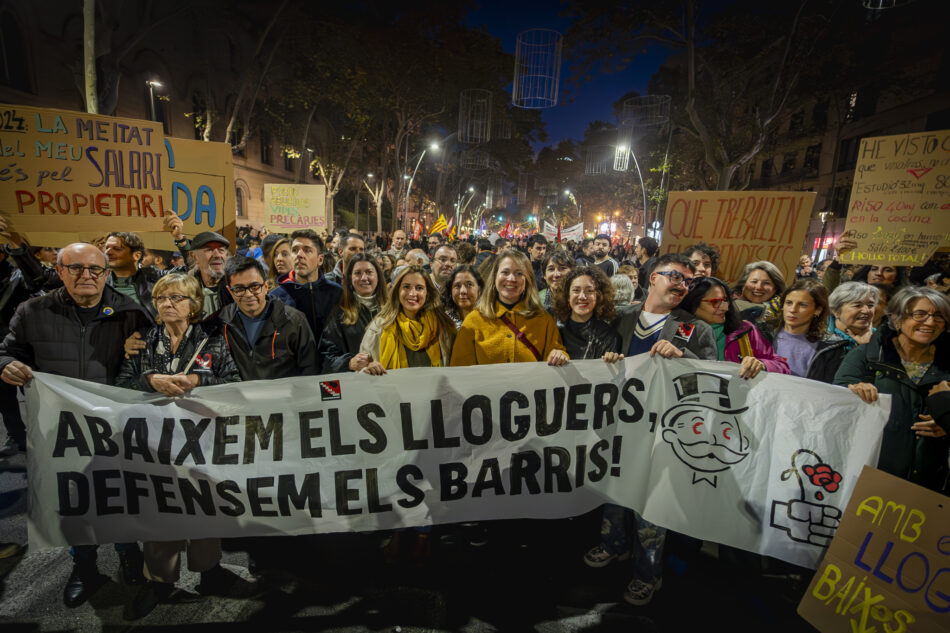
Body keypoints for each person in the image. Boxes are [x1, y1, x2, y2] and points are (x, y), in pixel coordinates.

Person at [0, 242, 152, 608]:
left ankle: (130, 556)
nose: (87, 276)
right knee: (74, 502)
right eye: (77, 268)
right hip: (60, 431)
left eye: (95, 269)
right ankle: (84, 566)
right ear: (60, 269)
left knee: (120, 498)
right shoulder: (32, 311)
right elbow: (8, 350)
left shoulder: (132, 312)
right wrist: (4, 363)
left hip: (114, 428)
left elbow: (153, 356)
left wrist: (144, 350)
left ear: (107, 273)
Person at [595, 253, 715, 607]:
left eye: (687, 281)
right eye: (674, 277)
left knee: (651, 502)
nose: (681, 285)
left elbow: (711, 379)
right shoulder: (621, 317)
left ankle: (647, 573)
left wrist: (683, 359)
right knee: (614, 487)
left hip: (663, 431)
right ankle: (612, 542)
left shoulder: (694, 328)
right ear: (651, 278)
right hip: (618, 424)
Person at [835, 287, 950, 492]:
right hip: (869, 475)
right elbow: (836, 401)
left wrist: (947, 422)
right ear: (897, 319)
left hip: (931, 481)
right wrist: (853, 390)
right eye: (919, 314)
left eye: (938, 316)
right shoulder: (867, 356)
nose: (931, 323)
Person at [450, 249, 568, 367]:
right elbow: (459, 370)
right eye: (505, 272)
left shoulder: (543, 320)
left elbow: (556, 354)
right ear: (495, 276)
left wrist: (559, 354)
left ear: (527, 279)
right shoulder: (474, 321)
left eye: (519, 273)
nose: (511, 279)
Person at [216, 256, 319, 380]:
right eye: (239, 289)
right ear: (230, 291)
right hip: (239, 397)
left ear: (266, 286)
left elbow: (310, 369)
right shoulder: (222, 322)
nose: (248, 294)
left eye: (254, 287)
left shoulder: (294, 321)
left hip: (285, 397)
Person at [679, 277, 790, 377]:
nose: (724, 308)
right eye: (715, 302)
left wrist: (762, 364)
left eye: (725, 300)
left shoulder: (745, 330)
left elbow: (782, 366)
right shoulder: (680, 330)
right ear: (693, 304)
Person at [360, 265, 456, 373]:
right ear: (397, 290)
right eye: (406, 287)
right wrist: (368, 369)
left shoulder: (443, 326)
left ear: (427, 293)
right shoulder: (378, 328)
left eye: (419, 288)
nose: (412, 293)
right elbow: (362, 372)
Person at [268, 229, 343, 347]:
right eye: (295, 250)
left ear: (320, 260)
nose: (300, 255)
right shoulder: (275, 298)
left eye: (307, 250)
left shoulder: (337, 293)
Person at [764, 280, 848, 382]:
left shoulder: (830, 347)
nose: (793, 310)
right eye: (789, 303)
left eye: (802, 305)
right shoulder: (763, 333)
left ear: (818, 310)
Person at [320, 254, 388, 373]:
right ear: (350, 278)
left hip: (390, 380)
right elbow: (326, 356)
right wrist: (348, 363)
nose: (364, 278)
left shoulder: (391, 310)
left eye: (369, 272)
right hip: (356, 384)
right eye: (357, 273)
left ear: (378, 276)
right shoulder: (340, 314)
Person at [553, 267, 622, 360]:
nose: (582, 296)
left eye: (589, 291)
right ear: (567, 296)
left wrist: (613, 360)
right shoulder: (555, 331)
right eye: (576, 290)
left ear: (598, 296)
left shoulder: (609, 336)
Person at [828, 281, 880, 352]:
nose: (866, 311)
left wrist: (867, 346)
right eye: (857, 305)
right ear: (836, 311)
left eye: (870, 305)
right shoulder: (820, 339)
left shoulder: (881, 338)